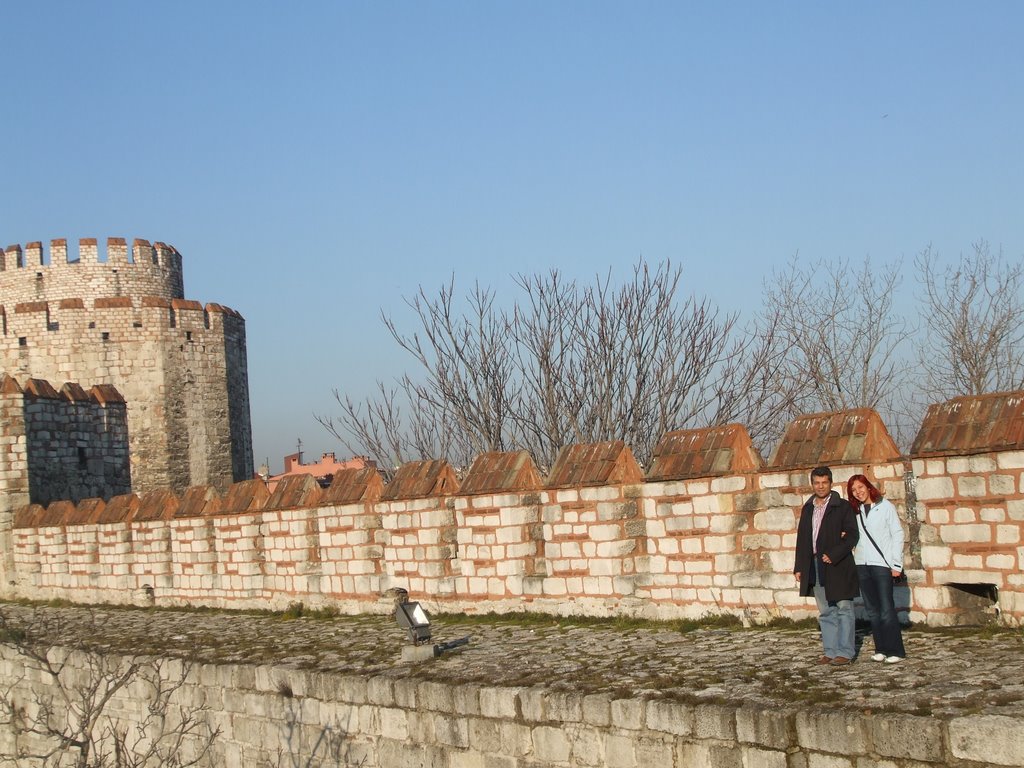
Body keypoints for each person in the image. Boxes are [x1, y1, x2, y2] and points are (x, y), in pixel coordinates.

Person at [793, 466, 860, 665]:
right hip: (814, 564)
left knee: (844, 608)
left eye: (824, 482)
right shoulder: (809, 507)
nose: (820, 486)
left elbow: (852, 535)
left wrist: (834, 554)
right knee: (826, 611)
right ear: (812, 484)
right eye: (817, 483)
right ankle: (830, 651)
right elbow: (803, 538)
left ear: (830, 483)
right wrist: (799, 566)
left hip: (838, 564)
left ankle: (845, 653)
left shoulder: (843, 506)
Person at [847, 474, 907, 663]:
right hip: (862, 564)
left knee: (886, 608)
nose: (858, 492)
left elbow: (897, 533)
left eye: (860, 487)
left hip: (882, 564)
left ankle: (895, 650)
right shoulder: (855, 512)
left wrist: (896, 564)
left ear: (867, 486)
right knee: (872, 609)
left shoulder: (885, 506)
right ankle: (881, 648)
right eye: (854, 490)